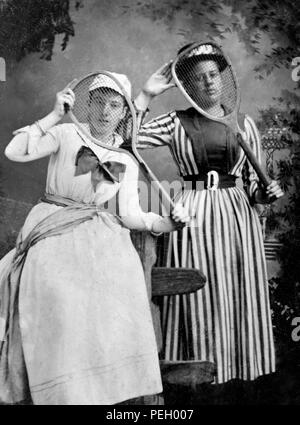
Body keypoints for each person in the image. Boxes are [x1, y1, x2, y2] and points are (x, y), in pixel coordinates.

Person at [0, 72, 189, 405]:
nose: (104, 112)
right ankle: (58, 391)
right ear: (87, 104)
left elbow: (130, 214)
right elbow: (14, 151)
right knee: (60, 296)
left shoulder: (126, 159)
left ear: (123, 113)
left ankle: (96, 392)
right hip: (51, 225)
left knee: (111, 292)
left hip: (94, 232)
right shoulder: (66, 132)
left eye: (114, 105)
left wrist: (165, 223)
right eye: (99, 102)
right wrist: (54, 115)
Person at [134, 45, 284, 388]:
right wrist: (145, 95)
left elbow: (254, 191)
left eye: (213, 74)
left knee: (235, 290)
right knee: (195, 293)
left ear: (222, 77)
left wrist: (266, 195)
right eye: (199, 78)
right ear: (188, 85)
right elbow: (128, 139)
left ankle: (236, 373)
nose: (208, 83)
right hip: (193, 216)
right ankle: (192, 375)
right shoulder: (176, 121)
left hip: (236, 218)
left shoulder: (244, 124)